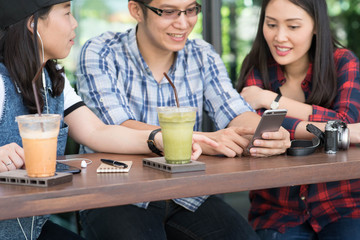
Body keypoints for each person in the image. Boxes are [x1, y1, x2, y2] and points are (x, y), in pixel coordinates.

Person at [0, 0, 218, 239]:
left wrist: (157, 139)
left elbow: (96, 132)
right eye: (67, 13)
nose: (74, 23)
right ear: (33, 23)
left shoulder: (52, 80)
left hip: (31, 228)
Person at [76, 0, 291, 239]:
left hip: (186, 193)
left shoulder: (201, 54)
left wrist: (268, 133)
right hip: (118, 194)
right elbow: (116, 126)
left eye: (190, 10)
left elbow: (234, 112)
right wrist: (205, 139)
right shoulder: (101, 51)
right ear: (136, 10)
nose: (183, 22)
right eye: (168, 11)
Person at [237, 0, 360, 239]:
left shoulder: (343, 62)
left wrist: (270, 100)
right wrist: (339, 130)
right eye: (271, 24)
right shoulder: (256, 67)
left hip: (342, 205)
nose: (280, 37)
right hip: (278, 210)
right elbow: (256, 130)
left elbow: (348, 121)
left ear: (316, 26)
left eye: (293, 27)